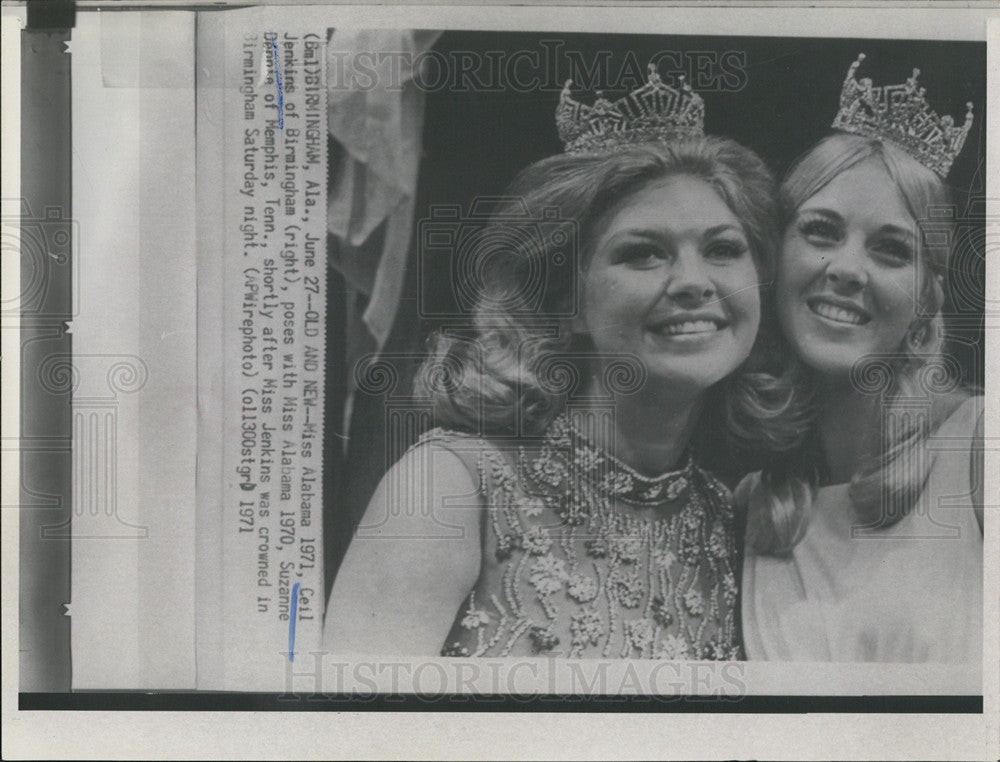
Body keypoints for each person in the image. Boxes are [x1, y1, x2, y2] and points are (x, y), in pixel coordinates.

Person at [324, 66, 796, 658]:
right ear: (565, 302)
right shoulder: (449, 488)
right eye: (643, 254)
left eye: (724, 249)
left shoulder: (730, 520)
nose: (693, 282)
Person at [740, 54, 983, 663]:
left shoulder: (980, 448)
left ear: (927, 298)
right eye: (821, 232)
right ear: (775, 263)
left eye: (891, 249)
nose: (846, 269)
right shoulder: (754, 503)